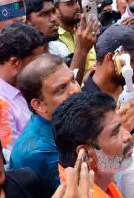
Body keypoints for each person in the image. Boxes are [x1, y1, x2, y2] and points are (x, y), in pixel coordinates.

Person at [53, 91, 134, 198]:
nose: (128, 136)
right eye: (115, 133)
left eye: (122, 127)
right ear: (86, 154)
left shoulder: (101, 179)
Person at [10, 54, 81, 187]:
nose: (75, 90)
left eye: (73, 80)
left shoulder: (66, 121)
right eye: (61, 89)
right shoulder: (38, 151)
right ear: (38, 105)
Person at [0, 21, 48, 147]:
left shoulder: (30, 83)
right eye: (37, 62)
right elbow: (13, 155)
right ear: (15, 63)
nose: (42, 66)